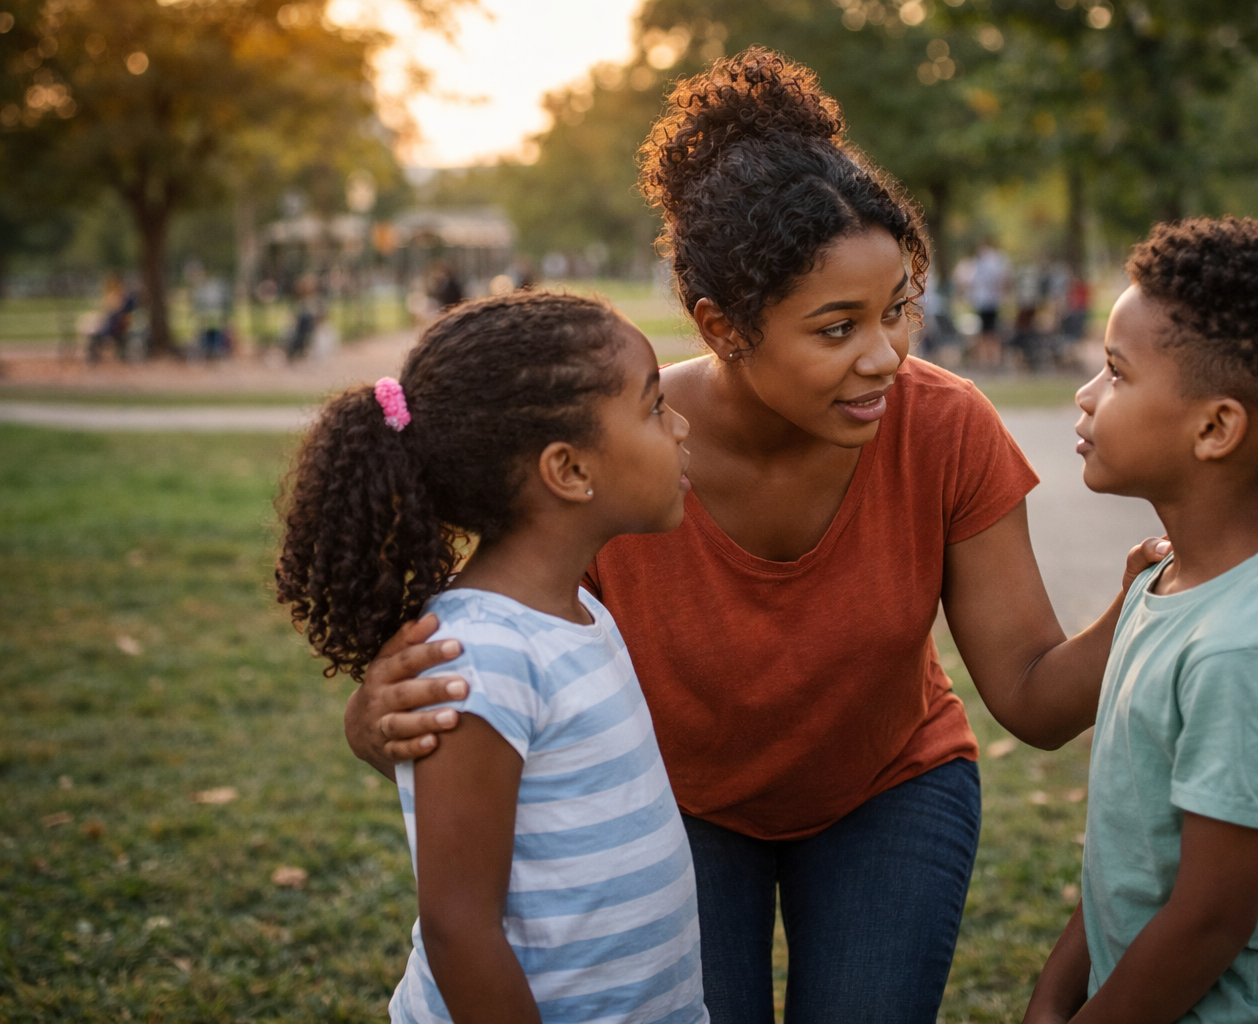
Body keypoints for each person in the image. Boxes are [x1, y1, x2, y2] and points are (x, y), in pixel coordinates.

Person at [344, 49, 1163, 1023]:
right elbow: (497, 678)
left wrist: (1143, 603)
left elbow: (1030, 695)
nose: (885, 356)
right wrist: (377, 722)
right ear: (721, 325)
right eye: (836, 327)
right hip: (680, 810)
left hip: (886, 792)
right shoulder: (622, 462)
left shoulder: (945, 426)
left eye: (900, 308)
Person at [274, 292, 707, 1023]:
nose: (681, 424)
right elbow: (458, 927)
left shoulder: (577, 612)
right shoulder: (480, 655)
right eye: (655, 406)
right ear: (567, 470)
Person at [1023, 218, 1258, 1024]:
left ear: (1216, 428)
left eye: (1117, 374)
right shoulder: (1168, 582)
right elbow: (1134, 861)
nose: (1087, 395)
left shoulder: (1244, 650)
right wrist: (1057, 991)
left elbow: (1208, 922)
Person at [966, 238, 1011, 369]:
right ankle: (989, 361)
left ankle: (989, 360)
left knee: (989, 333)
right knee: (988, 333)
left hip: (988, 302)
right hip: (987, 302)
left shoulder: (987, 263)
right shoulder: (992, 262)